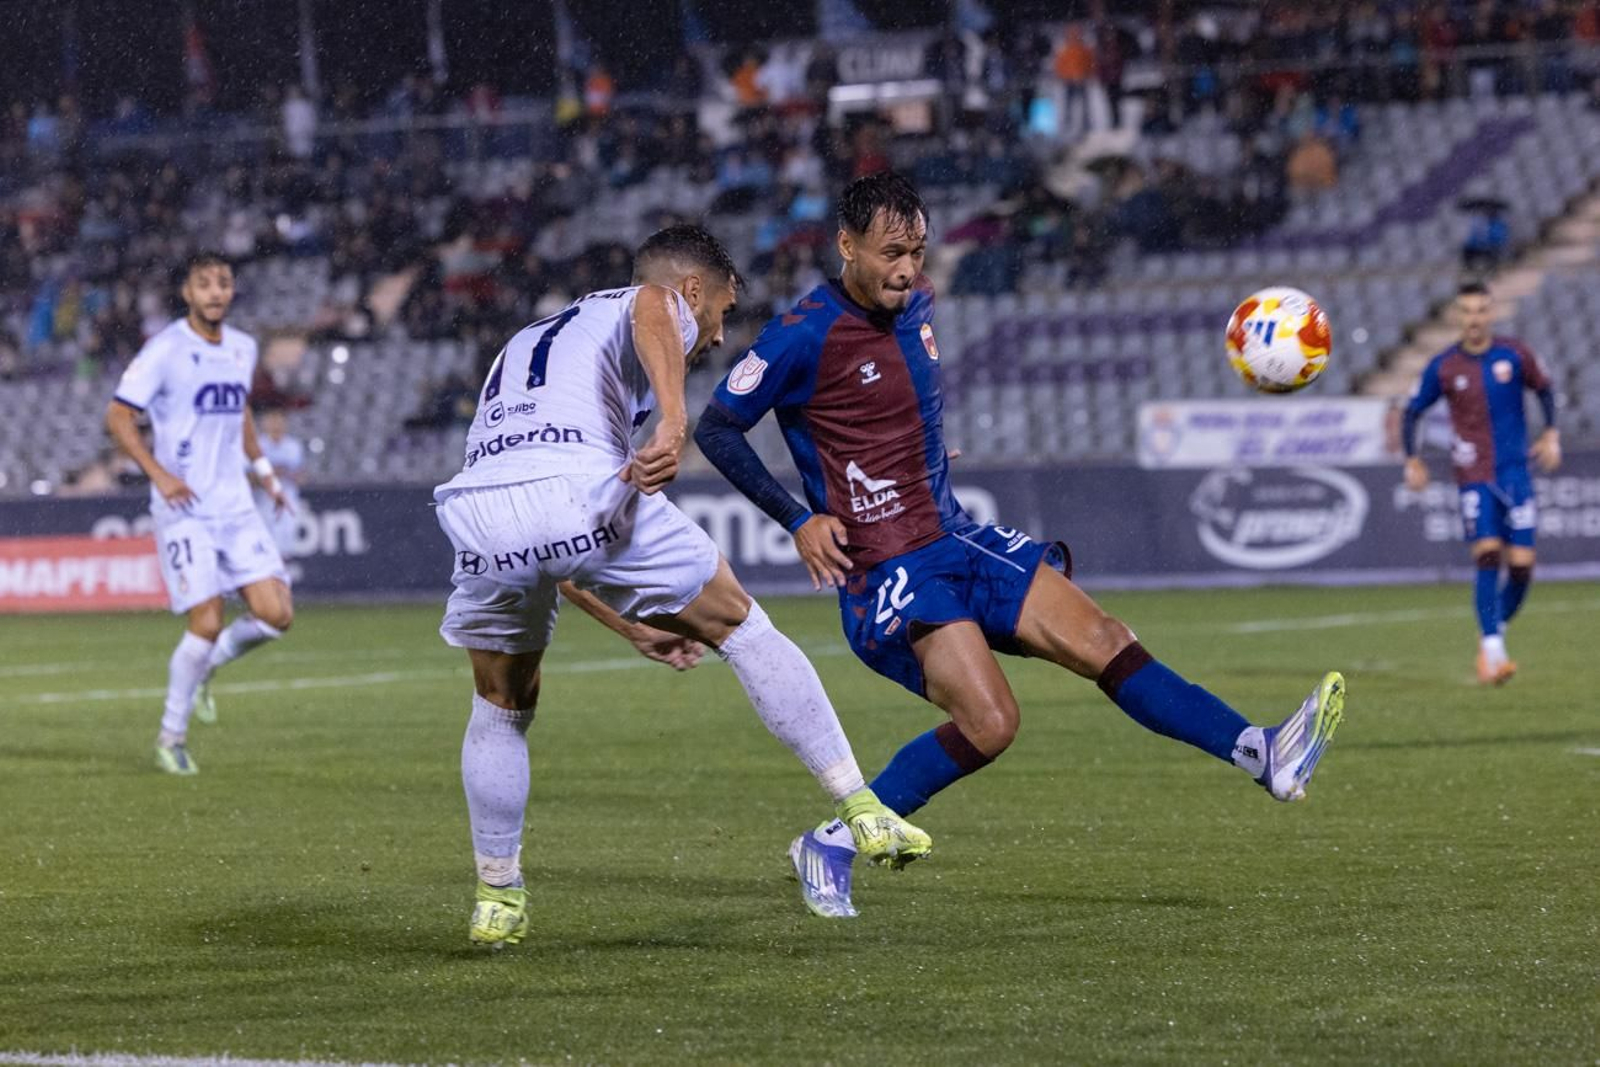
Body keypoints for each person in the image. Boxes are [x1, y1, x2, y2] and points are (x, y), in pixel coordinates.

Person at [694, 172, 1346, 919]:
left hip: (957, 532)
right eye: (891, 252)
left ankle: (1260, 751)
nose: (907, 269)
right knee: (993, 721)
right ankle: (833, 841)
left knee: (1106, 636)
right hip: (887, 568)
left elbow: (896, 404)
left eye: (917, 250)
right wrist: (796, 517)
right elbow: (718, 427)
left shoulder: (919, 304)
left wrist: (927, 453)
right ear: (846, 245)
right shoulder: (801, 332)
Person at [431, 224, 930, 947]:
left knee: (501, 705)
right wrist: (672, 418)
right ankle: (859, 803)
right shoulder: (650, 301)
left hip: (481, 510)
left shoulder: (530, 343)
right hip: (578, 489)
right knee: (742, 625)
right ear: (697, 291)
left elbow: (542, 536)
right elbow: (655, 306)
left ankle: (496, 895)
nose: (718, 337)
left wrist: (630, 623)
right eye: (722, 314)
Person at [105, 252, 295, 775]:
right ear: (187, 294)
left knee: (276, 614)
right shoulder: (166, 349)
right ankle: (171, 736)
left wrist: (265, 472)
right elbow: (118, 416)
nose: (215, 292)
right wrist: (158, 474)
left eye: (223, 283)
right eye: (204, 284)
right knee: (207, 620)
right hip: (184, 508)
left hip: (235, 505)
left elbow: (241, 414)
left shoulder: (242, 348)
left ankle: (204, 670)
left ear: (232, 292)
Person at [1402, 282, 1560, 684]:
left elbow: (1544, 389)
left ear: (1491, 314)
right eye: (1467, 311)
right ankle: (1493, 651)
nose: (1474, 319)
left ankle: (1492, 630)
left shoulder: (1514, 354)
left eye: (1481, 310)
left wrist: (1551, 434)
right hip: (1474, 474)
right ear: (1458, 316)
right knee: (1488, 555)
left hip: (1515, 471)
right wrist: (1412, 459)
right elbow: (1412, 411)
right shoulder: (1444, 366)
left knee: (1522, 568)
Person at [253, 407, 305, 560]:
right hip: (263, 503)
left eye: (279, 419)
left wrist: (289, 474)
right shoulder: (256, 445)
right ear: (264, 422)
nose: (276, 424)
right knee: (264, 551)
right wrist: (270, 474)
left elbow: (301, 475)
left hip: (288, 503)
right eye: (272, 419)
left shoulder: (293, 446)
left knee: (284, 553)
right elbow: (248, 477)